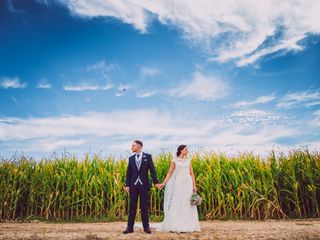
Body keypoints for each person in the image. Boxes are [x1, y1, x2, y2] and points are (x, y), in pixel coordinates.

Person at [157, 145, 201, 232]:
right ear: (181, 150)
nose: (187, 151)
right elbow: (170, 173)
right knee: (177, 201)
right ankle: (175, 224)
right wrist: (164, 183)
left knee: (188, 202)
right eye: (186, 149)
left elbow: (192, 174)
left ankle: (188, 224)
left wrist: (194, 185)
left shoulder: (189, 160)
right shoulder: (175, 160)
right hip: (179, 183)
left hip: (188, 183)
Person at [123, 140, 161, 234]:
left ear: (139, 146)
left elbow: (152, 170)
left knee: (144, 206)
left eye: (133, 146)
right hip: (133, 185)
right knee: (132, 206)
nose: (131, 147)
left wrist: (156, 182)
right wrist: (127, 185)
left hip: (144, 185)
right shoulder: (131, 158)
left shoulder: (147, 157)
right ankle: (129, 228)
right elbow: (129, 173)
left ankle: (146, 227)